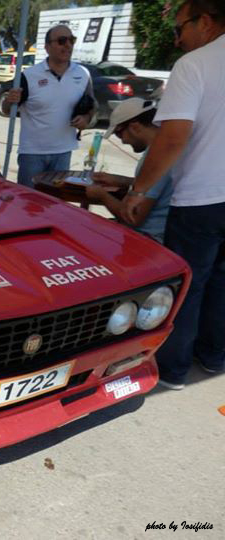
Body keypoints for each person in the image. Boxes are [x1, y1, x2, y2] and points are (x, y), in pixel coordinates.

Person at [123, 0, 225, 390]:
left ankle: (173, 369)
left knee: (188, 285)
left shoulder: (194, 65)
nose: (177, 38)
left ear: (206, 21)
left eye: (179, 28)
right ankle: (213, 355)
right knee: (222, 282)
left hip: (201, 197)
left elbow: (172, 138)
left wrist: (139, 190)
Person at [3, 24, 95, 187]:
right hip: (32, 154)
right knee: (28, 199)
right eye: (62, 41)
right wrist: (9, 100)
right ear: (47, 47)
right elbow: (6, 109)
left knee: (54, 201)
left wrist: (86, 118)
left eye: (71, 40)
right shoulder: (29, 76)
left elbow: (93, 105)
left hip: (63, 152)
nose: (68, 45)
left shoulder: (83, 74)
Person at [85, 98, 173, 243]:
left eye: (119, 134)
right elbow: (158, 185)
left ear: (135, 127)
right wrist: (121, 180)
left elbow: (132, 218)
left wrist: (101, 196)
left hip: (149, 237)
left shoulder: (154, 158)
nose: (122, 141)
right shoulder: (167, 148)